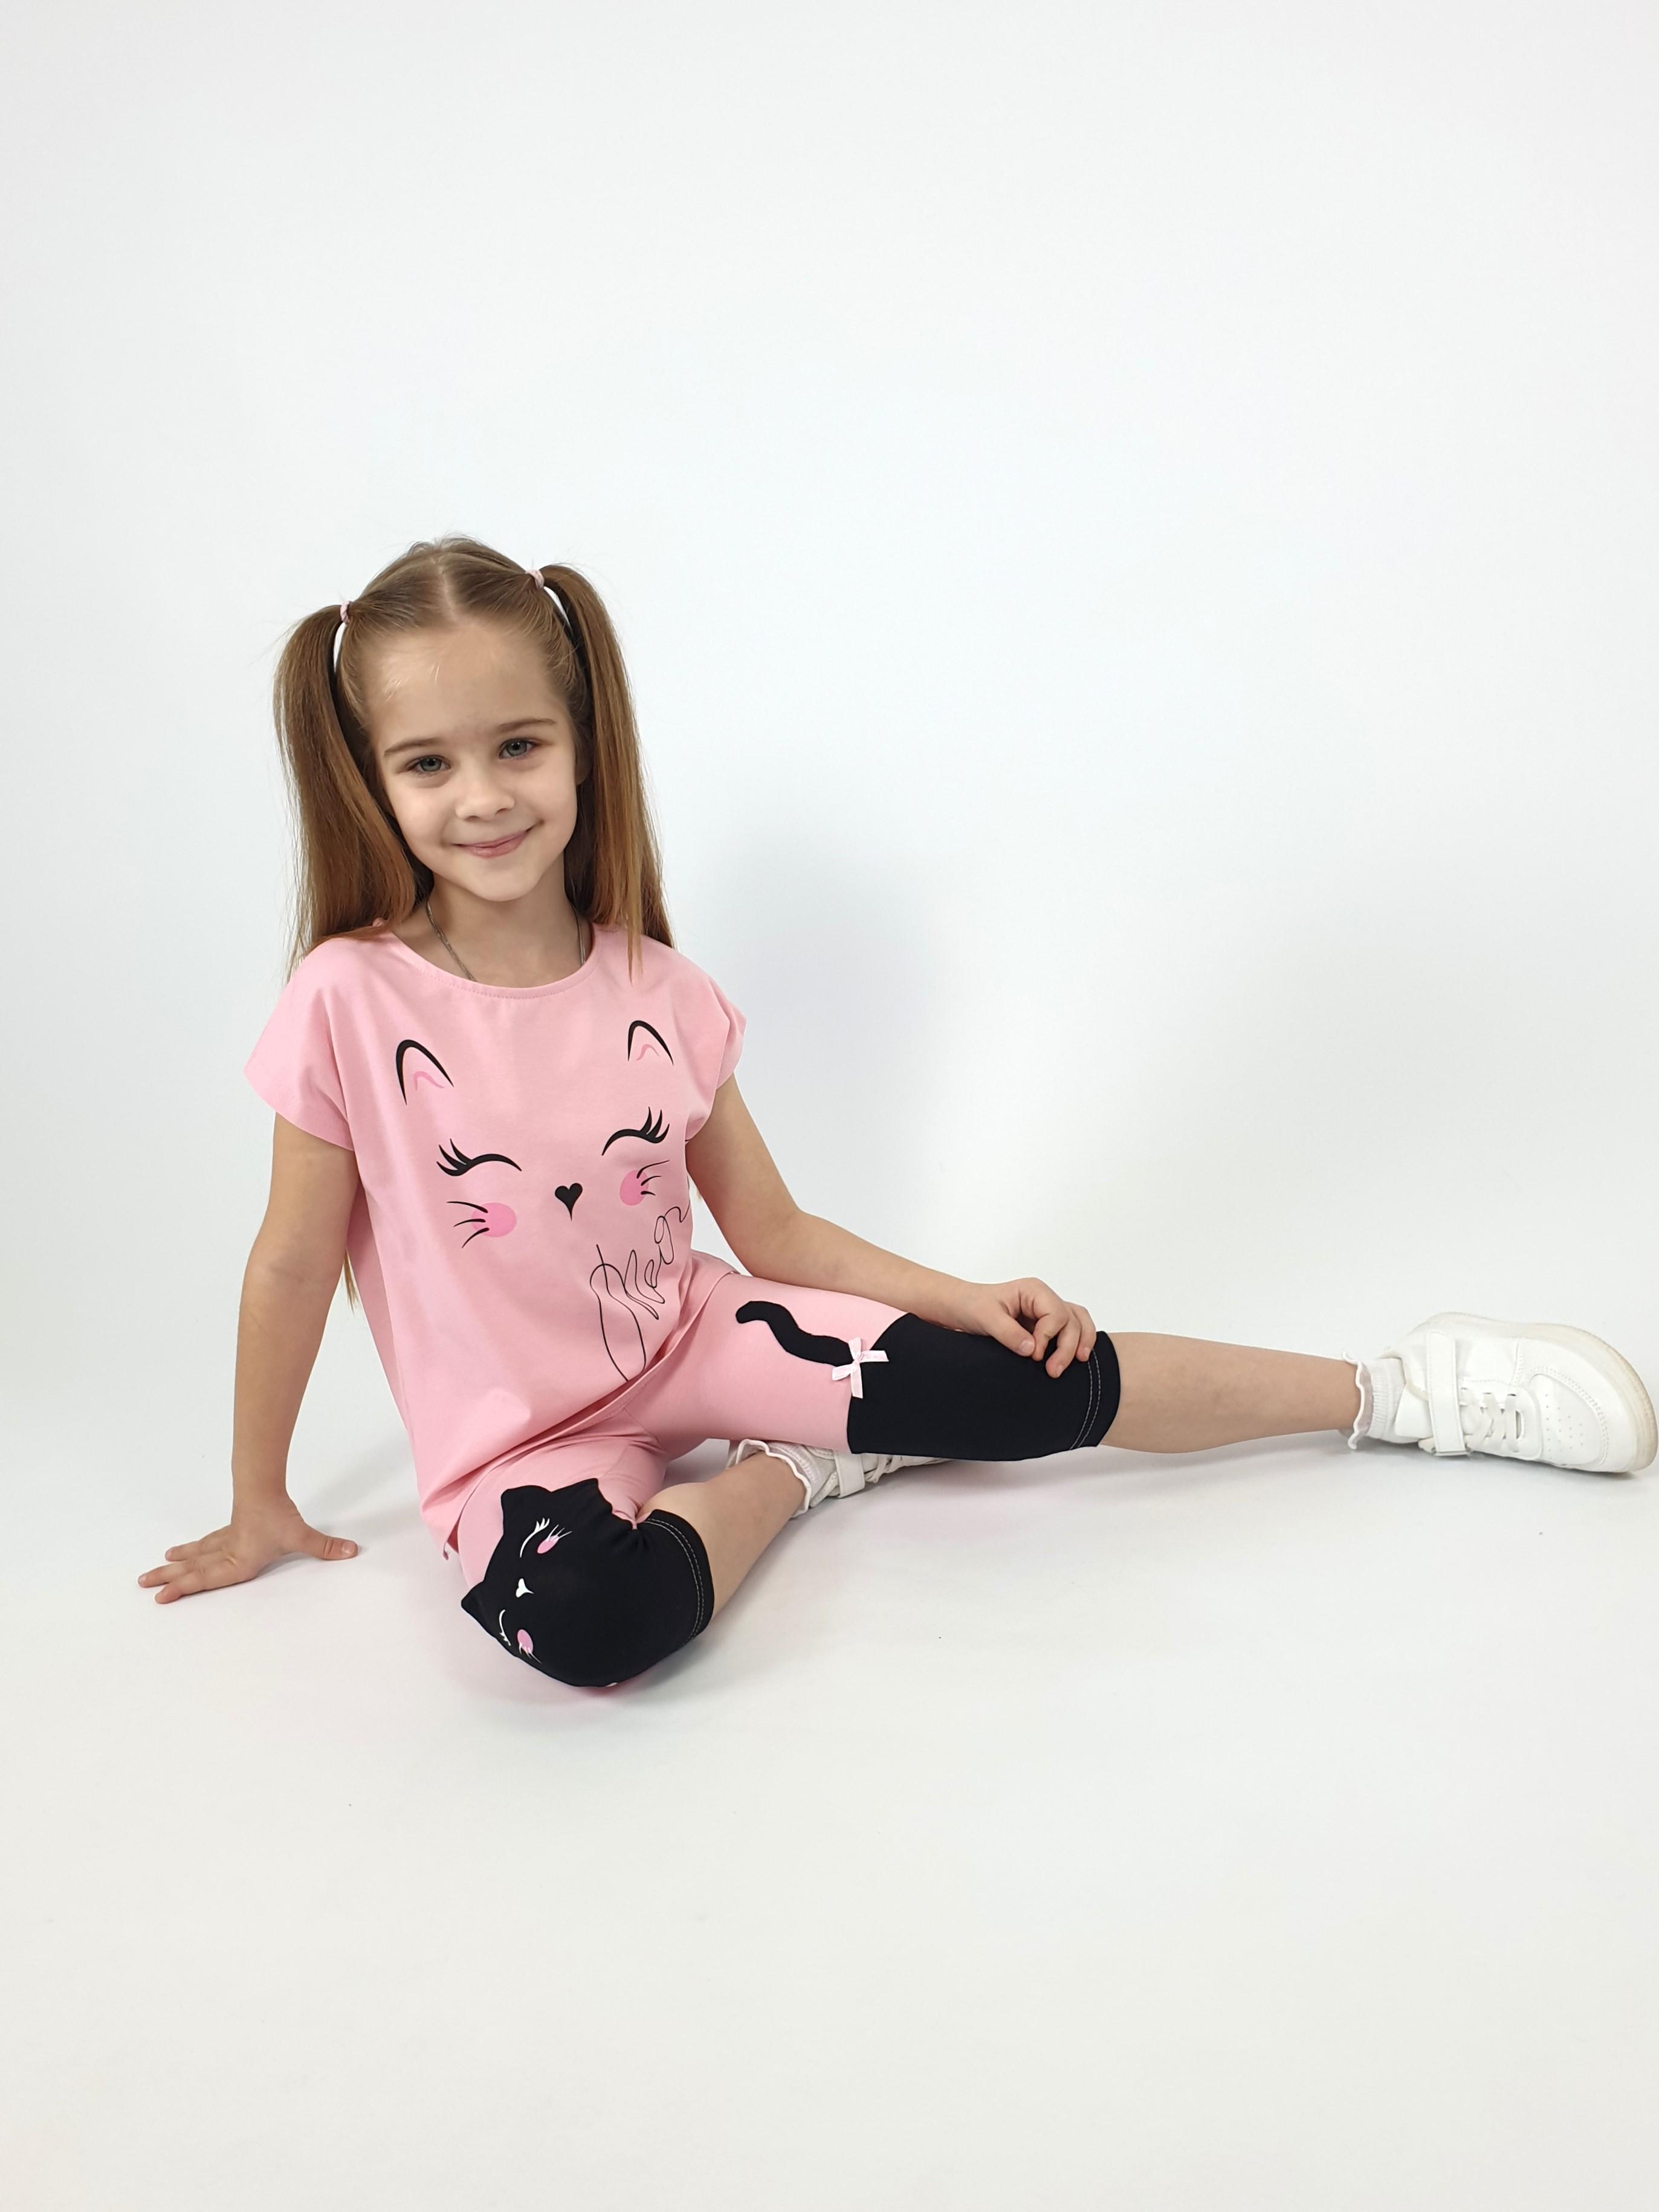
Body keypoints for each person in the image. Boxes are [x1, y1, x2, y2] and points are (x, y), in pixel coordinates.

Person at [138, 536, 1658, 1688]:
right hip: (517, 1451)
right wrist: (258, 1498)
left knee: (1030, 1387)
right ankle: (795, 1469)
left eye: (518, 745)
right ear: (372, 781)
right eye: (429, 763)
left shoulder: (661, 988)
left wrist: (963, 1298)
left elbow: (773, 1231)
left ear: (584, 741)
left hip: (699, 1340)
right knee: (595, 1624)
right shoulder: (349, 1000)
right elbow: (291, 1260)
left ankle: (1402, 1390)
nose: (483, 797)